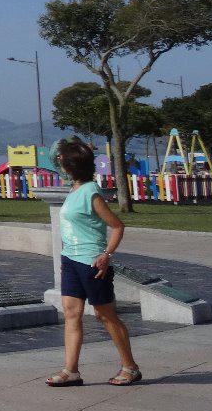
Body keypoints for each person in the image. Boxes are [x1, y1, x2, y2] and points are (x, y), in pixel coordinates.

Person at [46, 137, 141, 388]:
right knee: (71, 314)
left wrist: (106, 255)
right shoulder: (74, 189)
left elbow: (117, 226)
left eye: (63, 163)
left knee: (104, 314)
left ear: (69, 167)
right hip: (71, 261)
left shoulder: (91, 191)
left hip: (91, 262)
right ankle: (71, 371)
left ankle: (130, 367)